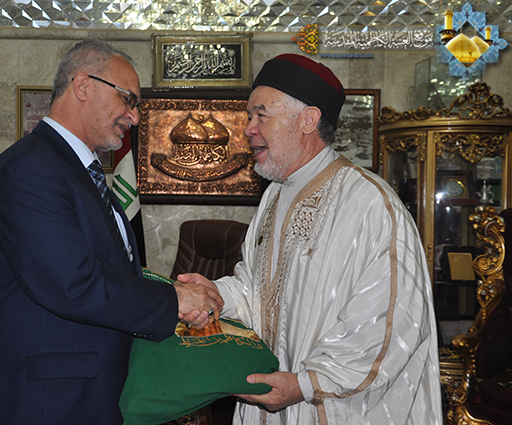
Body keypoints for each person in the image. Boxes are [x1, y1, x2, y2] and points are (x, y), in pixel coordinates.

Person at [0, 39, 223, 425]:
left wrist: (176, 295)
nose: (134, 117)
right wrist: (173, 300)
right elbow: (73, 283)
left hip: (86, 398)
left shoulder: (79, 172)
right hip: (44, 405)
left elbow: (110, 273)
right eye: (128, 99)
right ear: (83, 85)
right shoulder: (30, 169)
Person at [179, 54, 443, 424]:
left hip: (334, 407)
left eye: (260, 115)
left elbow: (390, 323)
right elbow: (257, 289)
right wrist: (215, 295)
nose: (249, 129)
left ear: (308, 120)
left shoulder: (370, 205)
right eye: (249, 116)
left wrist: (304, 385)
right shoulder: (275, 194)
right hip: (271, 399)